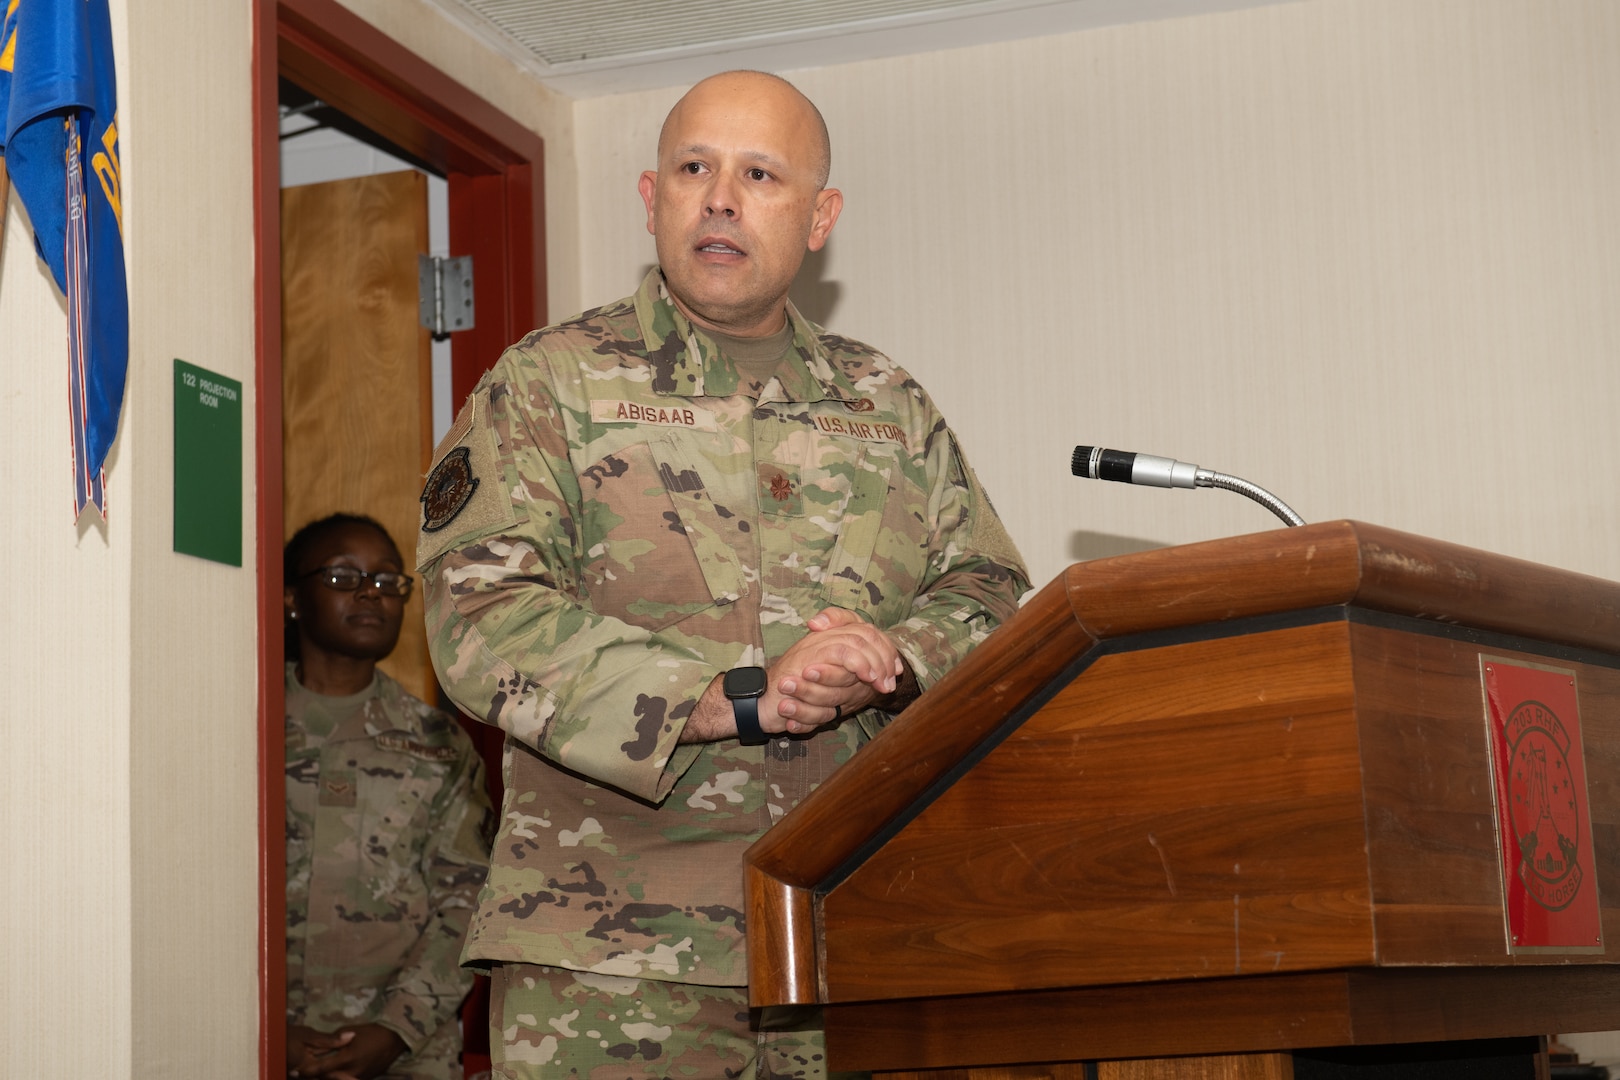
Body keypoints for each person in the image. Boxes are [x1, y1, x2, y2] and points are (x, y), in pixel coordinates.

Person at [416, 70, 1030, 1079]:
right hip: (608, 958)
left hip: (859, 941)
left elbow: (993, 597)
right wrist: (731, 699)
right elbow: (481, 618)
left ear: (819, 217)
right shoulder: (549, 384)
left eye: (761, 174)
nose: (722, 198)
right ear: (652, 199)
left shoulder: (888, 404)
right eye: (694, 168)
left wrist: (896, 657)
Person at [284, 513, 495, 1080]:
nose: (370, 594)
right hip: (248, 1039)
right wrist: (261, 1027)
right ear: (291, 598)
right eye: (342, 576)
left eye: (387, 580)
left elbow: (468, 901)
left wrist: (395, 1031)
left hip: (403, 1055)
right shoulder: (239, 723)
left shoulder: (438, 743)